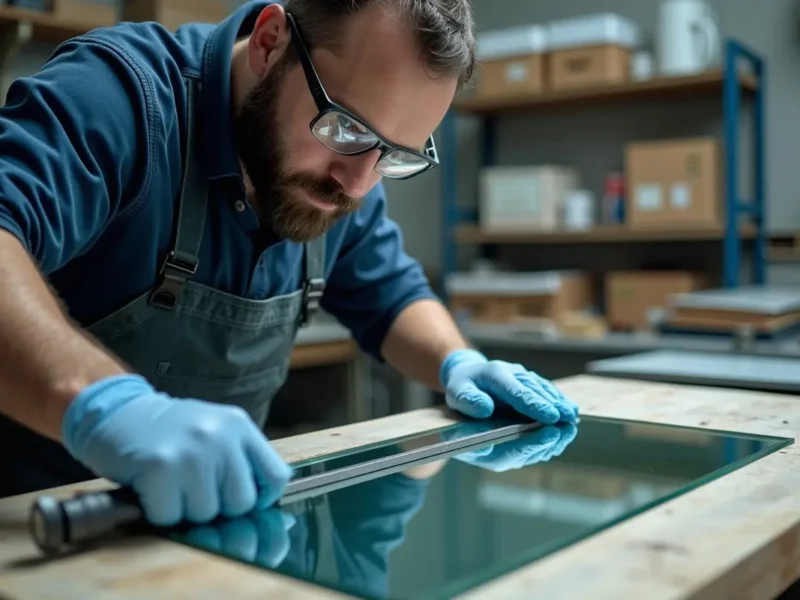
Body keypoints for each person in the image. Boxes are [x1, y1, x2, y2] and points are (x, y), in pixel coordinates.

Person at [0, 0, 578, 526]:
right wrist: (107, 410)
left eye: (394, 155)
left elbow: (391, 296)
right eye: (347, 127)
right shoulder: (119, 98)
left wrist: (457, 363)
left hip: (206, 526)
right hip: (37, 524)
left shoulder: (352, 173)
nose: (357, 182)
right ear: (270, 41)